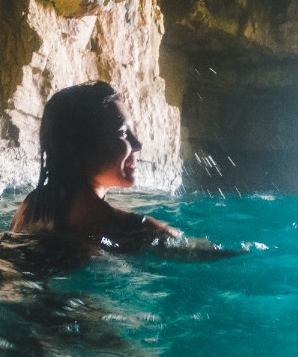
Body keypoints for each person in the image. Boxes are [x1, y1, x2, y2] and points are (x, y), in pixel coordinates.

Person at [10, 81, 179, 249]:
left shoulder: (32, 206)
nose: (138, 144)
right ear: (81, 147)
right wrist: (153, 231)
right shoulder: (128, 229)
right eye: (122, 133)